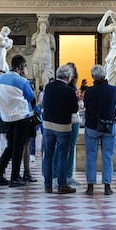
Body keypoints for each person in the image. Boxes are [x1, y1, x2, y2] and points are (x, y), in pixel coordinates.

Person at [0, 55, 36, 188]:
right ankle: (15, 177)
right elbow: (31, 97)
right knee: (18, 148)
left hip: (7, 117)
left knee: (10, 147)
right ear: (21, 67)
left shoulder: (0, 79)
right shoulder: (21, 81)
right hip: (22, 117)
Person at [42, 65, 79, 194]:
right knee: (63, 156)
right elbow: (74, 109)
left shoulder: (48, 87)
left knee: (48, 155)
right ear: (68, 77)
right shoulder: (68, 90)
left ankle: (47, 185)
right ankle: (62, 185)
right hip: (63, 126)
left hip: (47, 125)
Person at [83, 64, 116, 195]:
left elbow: (86, 105)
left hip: (92, 125)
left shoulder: (89, 91)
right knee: (107, 156)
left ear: (93, 77)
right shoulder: (113, 90)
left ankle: (90, 186)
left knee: (91, 156)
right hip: (108, 125)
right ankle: (107, 186)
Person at [62, 62, 82, 188]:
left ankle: (69, 175)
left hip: (74, 119)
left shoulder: (74, 86)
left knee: (71, 148)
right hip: (65, 119)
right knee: (63, 149)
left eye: (72, 70)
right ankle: (60, 175)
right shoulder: (64, 87)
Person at [31, 19, 56, 91]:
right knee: (37, 77)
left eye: (44, 25)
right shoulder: (35, 36)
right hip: (37, 57)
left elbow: (53, 48)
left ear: (46, 27)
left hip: (46, 58)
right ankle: (37, 95)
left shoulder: (50, 36)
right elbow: (33, 45)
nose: (42, 27)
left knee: (45, 77)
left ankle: (45, 93)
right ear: (38, 27)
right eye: (41, 25)